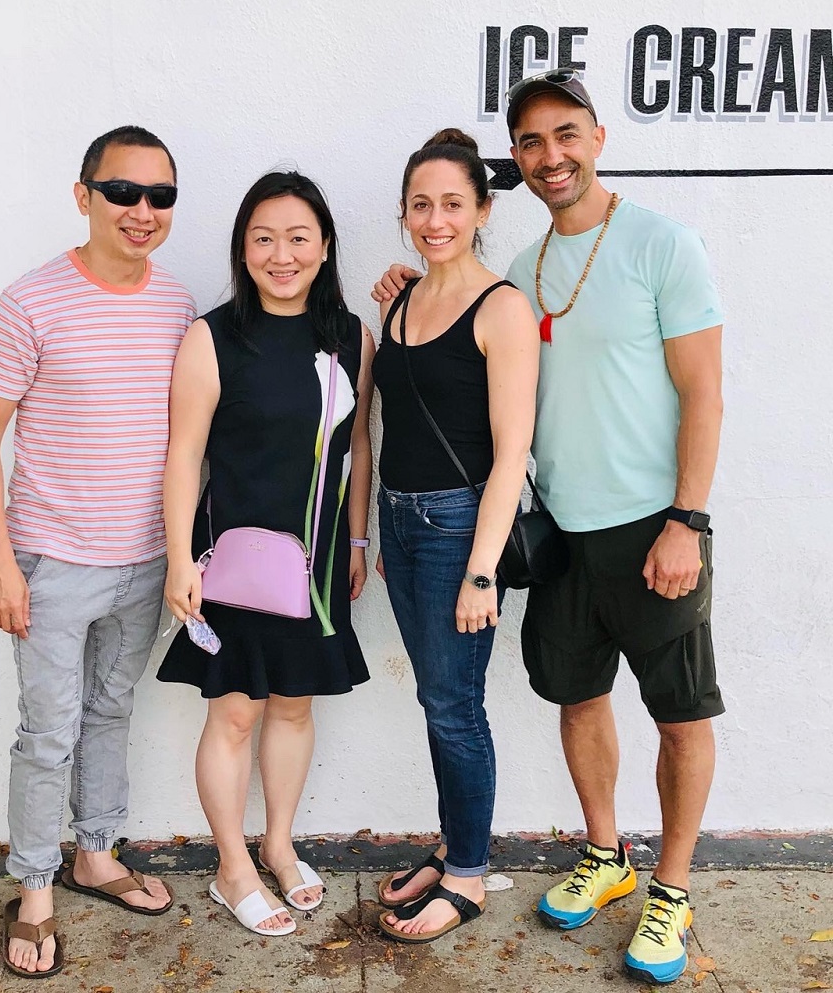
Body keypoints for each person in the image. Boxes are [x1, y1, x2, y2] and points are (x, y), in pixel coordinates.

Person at [373, 71, 724, 984]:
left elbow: (704, 393)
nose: (550, 155)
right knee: (579, 697)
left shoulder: (663, 244)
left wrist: (687, 518)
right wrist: (414, 279)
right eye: (531, 142)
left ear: (599, 137)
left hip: (653, 524)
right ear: (516, 162)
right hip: (561, 531)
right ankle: (607, 856)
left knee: (680, 714)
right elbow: (462, 326)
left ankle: (672, 890)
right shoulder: (523, 269)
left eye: (566, 134)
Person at [0, 126, 194, 978]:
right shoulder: (30, 301)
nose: (141, 210)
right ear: (84, 194)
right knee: (47, 733)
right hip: (52, 563)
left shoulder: (177, 305)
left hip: (145, 561)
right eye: (123, 191)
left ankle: (95, 854)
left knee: (109, 712)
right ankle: (33, 892)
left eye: (160, 195)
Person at [158, 170, 374, 937]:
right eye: (264, 239)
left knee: (293, 704)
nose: (282, 255)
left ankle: (278, 844)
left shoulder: (352, 336)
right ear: (243, 249)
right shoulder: (212, 337)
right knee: (235, 713)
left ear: (325, 247)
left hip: (316, 563)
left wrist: (356, 539)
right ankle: (231, 867)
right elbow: (184, 455)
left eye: (298, 238)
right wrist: (179, 560)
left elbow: (357, 445)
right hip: (234, 562)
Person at [372, 129, 539, 944]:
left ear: (482, 210)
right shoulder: (400, 298)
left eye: (451, 204)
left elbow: (512, 454)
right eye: (420, 205)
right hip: (399, 519)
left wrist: (481, 571)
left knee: (455, 706)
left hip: (457, 531)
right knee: (436, 699)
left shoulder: (502, 308)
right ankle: (452, 843)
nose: (434, 220)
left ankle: (469, 874)